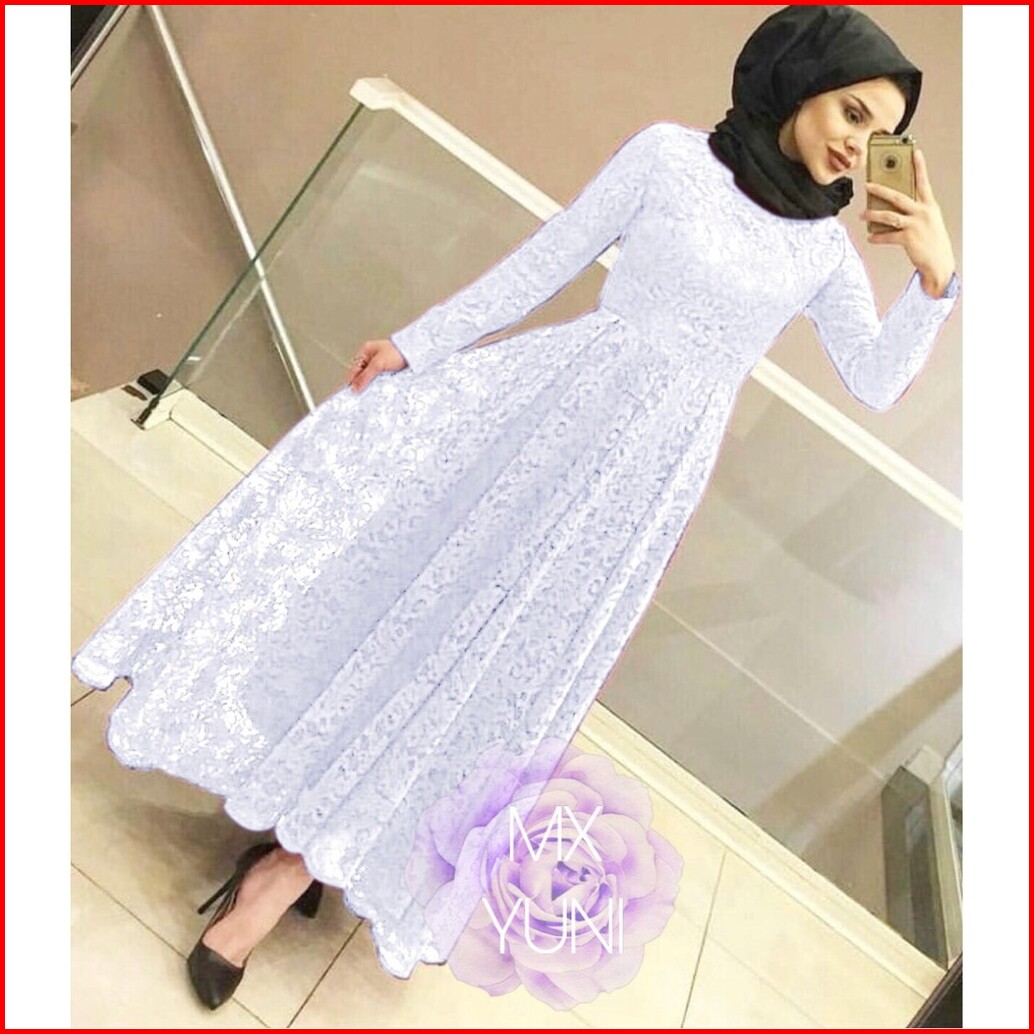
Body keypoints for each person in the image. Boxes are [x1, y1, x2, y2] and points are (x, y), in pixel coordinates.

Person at [70, 5, 959, 1011]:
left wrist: (934, 276)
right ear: (797, 80)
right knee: (413, 601)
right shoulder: (669, 159)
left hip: (640, 491)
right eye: (851, 111)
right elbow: (548, 259)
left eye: (881, 135)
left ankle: (297, 863)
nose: (857, 145)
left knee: (493, 668)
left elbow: (875, 379)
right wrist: (419, 344)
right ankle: (295, 819)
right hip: (543, 419)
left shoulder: (822, 255)